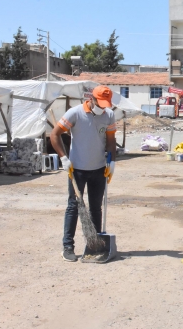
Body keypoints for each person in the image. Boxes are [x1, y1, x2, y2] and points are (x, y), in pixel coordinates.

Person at [49, 86, 117, 262]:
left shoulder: (109, 115)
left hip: (99, 170)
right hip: (77, 170)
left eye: (105, 105)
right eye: (99, 104)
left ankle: (94, 245)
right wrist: (64, 158)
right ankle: (68, 247)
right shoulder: (75, 113)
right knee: (74, 207)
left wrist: (112, 162)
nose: (102, 108)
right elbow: (54, 135)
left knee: (96, 208)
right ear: (91, 98)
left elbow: (111, 141)